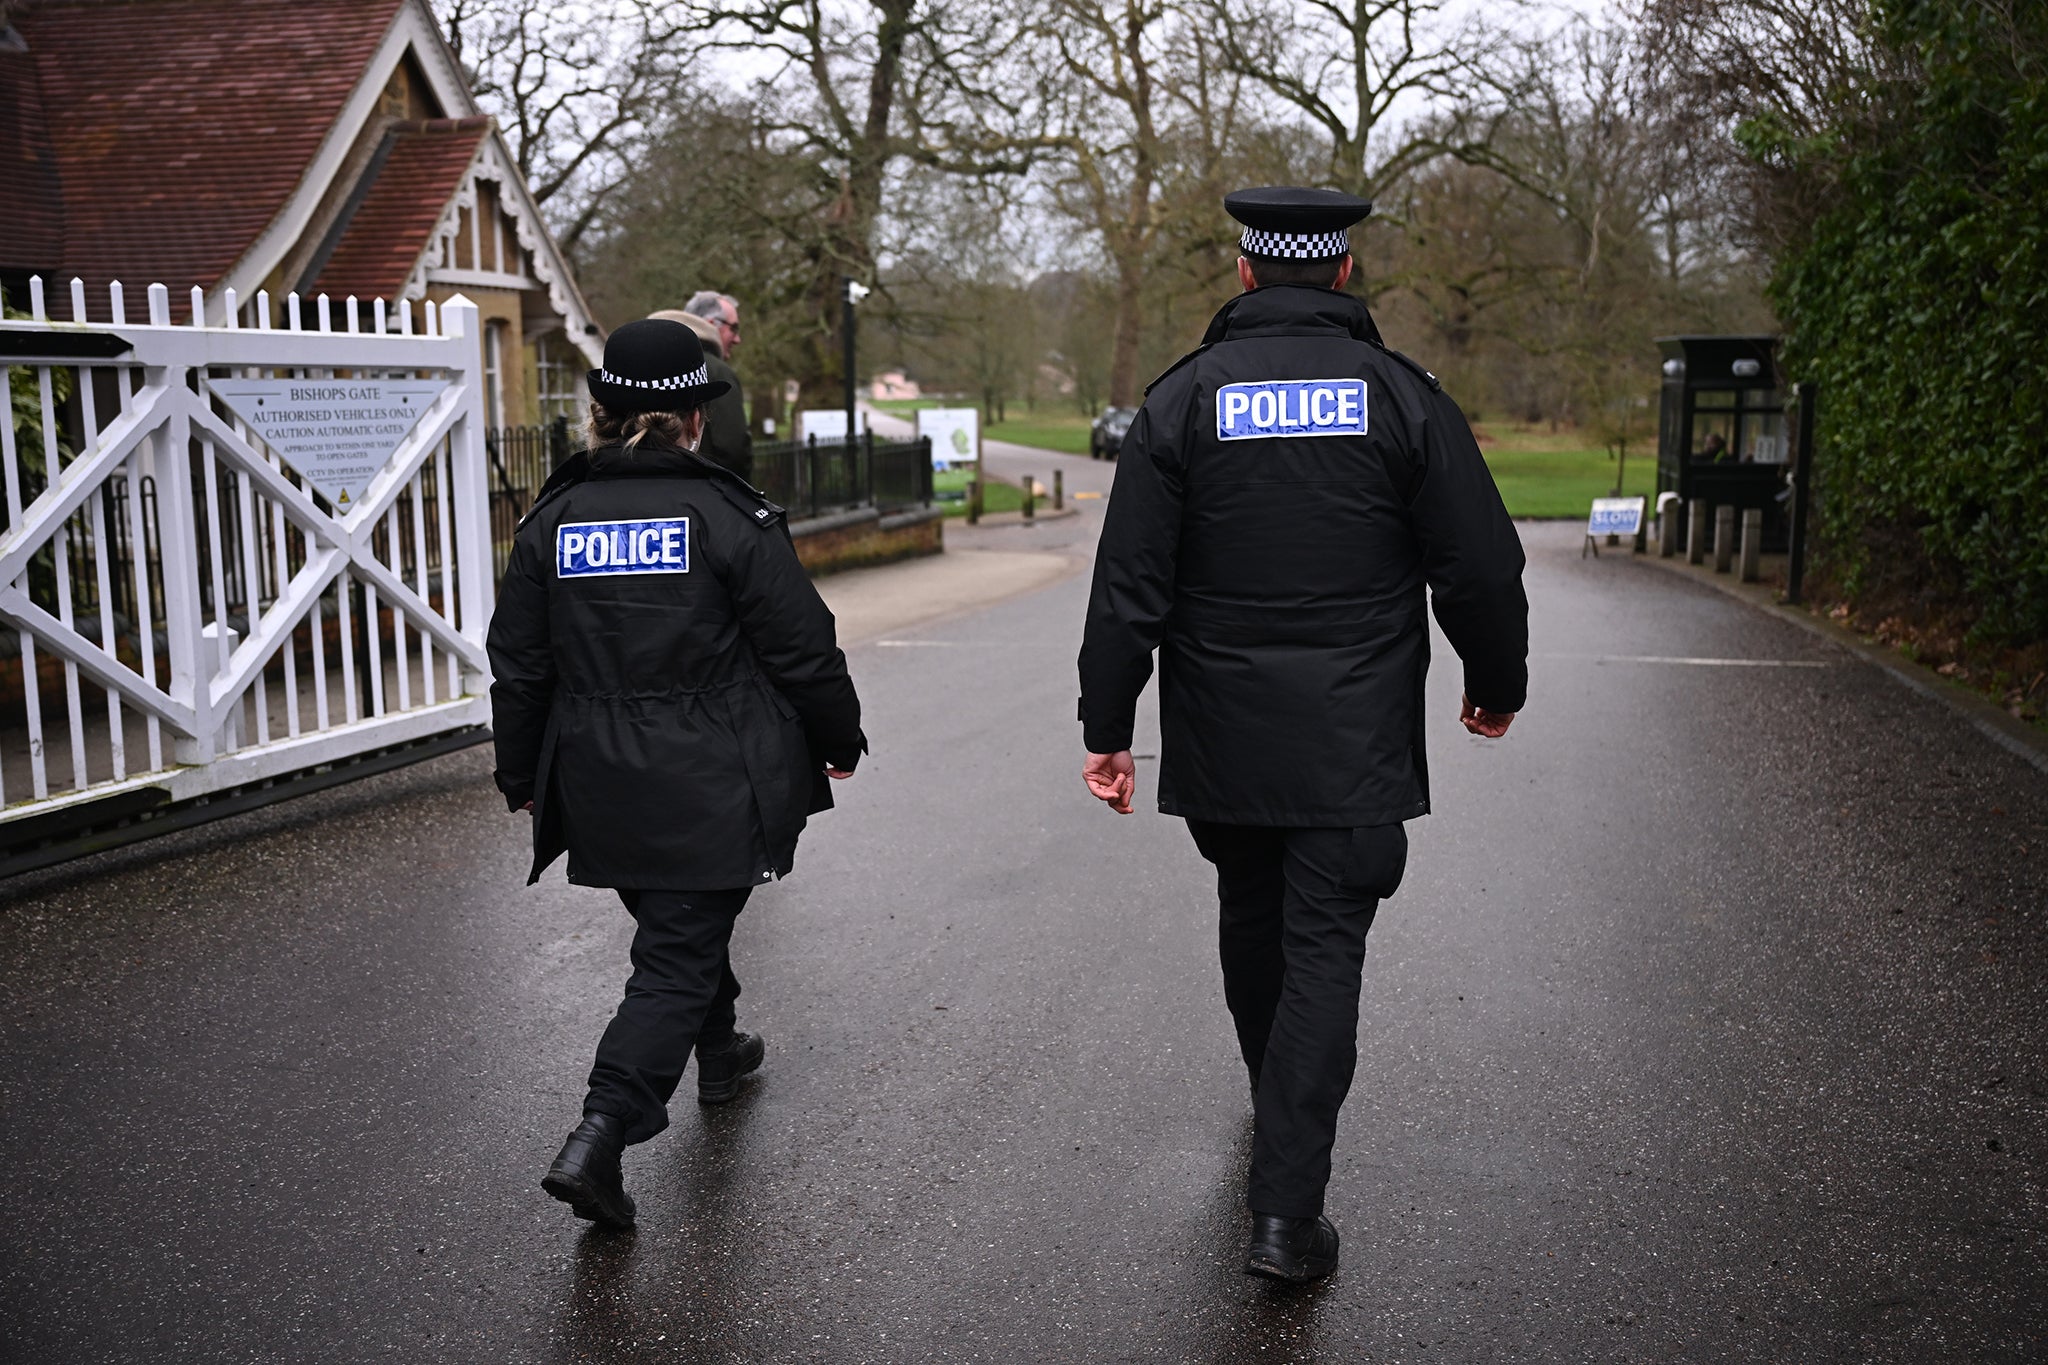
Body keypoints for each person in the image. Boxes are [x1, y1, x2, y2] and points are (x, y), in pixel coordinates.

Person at [1075, 187, 1529, 1283]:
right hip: (1353, 739)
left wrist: (1106, 725)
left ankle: (1272, 1110)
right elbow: (1477, 560)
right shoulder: (1400, 399)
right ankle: (1286, 1216)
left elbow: (1127, 581)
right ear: (1339, 274)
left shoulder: (1181, 401)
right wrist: (1495, 679)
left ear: (1243, 275)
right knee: (1324, 949)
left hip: (1224, 737)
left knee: (1250, 916)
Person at [487, 318, 866, 1229]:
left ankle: (723, 1050)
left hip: (599, 781)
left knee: (679, 922)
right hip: (713, 777)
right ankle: (602, 1130)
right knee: (677, 952)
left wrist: (521, 773)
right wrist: (840, 738)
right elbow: (804, 647)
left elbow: (521, 664)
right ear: (690, 417)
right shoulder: (728, 516)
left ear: (604, 413)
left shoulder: (551, 522)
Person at [645, 295, 753, 483]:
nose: (738, 339)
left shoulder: (643, 364)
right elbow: (732, 448)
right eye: (734, 328)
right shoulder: (716, 371)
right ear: (712, 323)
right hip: (704, 493)